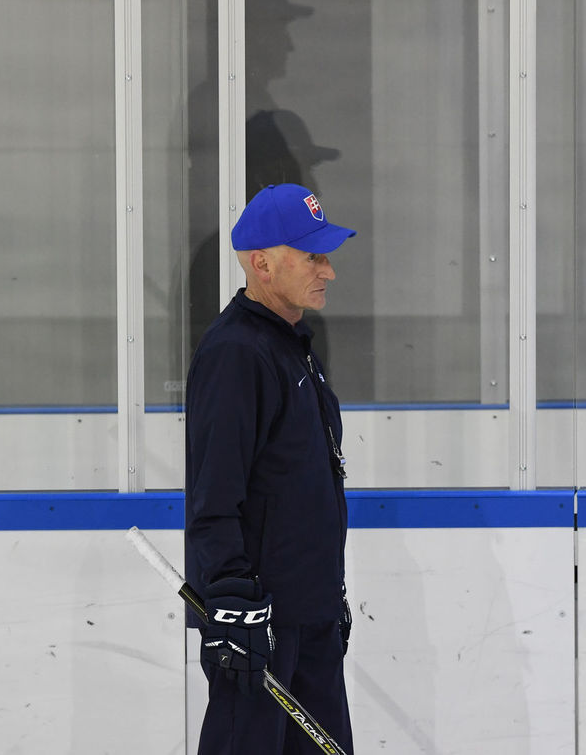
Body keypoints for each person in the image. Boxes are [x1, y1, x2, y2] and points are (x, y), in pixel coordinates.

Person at [185, 183, 357, 754]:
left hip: (307, 618)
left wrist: (326, 599)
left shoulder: (291, 345)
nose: (327, 271)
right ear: (262, 263)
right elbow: (214, 491)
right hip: (259, 626)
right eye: (313, 256)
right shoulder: (237, 353)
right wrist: (231, 597)